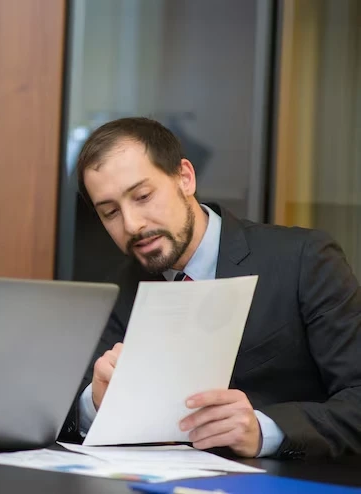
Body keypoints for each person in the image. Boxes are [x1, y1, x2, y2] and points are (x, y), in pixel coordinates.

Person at [64, 117, 361, 459]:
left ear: (185, 178)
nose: (132, 224)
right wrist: (96, 402)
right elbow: (68, 409)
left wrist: (265, 431)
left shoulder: (303, 259)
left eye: (143, 196)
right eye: (110, 212)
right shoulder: (117, 289)